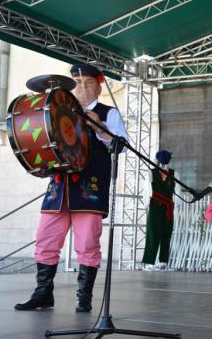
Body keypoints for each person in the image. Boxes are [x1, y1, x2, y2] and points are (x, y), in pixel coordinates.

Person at [15, 64, 129, 312]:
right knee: (45, 240)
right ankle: (43, 293)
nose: (83, 88)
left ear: (99, 86)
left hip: (91, 188)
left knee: (87, 243)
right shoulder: (58, 112)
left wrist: (100, 128)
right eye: (77, 83)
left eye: (88, 82)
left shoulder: (107, 113)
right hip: (58, 189)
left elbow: (121, 146)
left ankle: (84, 298)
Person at [142, 150, 176, 269]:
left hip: (168, 207)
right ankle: (149, 262)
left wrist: (179, 205)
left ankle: (163, 262)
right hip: (155, 206)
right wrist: (146, 204)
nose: (163, 164)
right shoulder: (151, 173)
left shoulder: (174, 174)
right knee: (153, 234)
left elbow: (178, 190)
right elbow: (146, 189)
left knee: (167, 233)